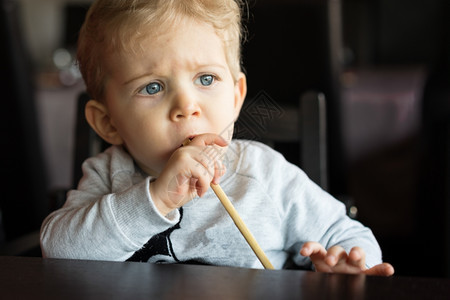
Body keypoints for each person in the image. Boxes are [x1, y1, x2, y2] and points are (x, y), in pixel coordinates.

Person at [40, 0, 394, 276]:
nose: (187, 106)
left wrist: (346, 266)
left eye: (206, 80)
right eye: (152, 87)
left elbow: (347, 234)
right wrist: (157, 199)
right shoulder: (109, 174)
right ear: (108, 123)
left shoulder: (264, 173)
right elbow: (57, 252)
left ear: (236, 97)